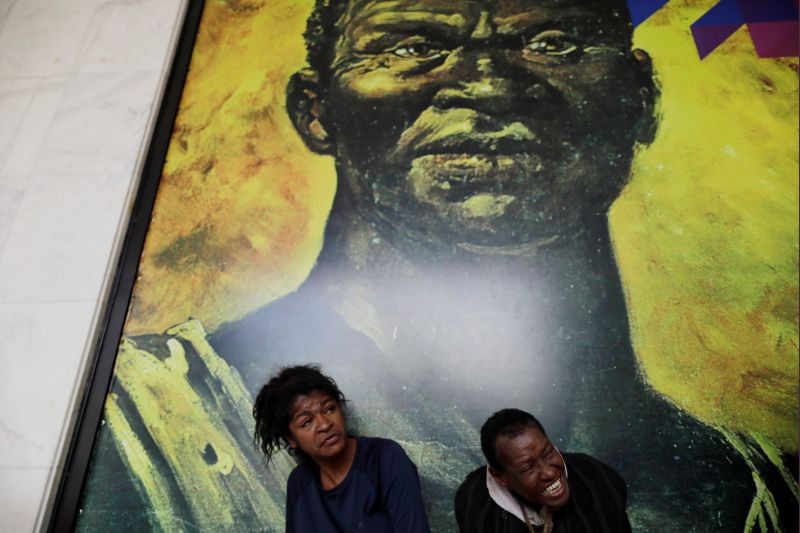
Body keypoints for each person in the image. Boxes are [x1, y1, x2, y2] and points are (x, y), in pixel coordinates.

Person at [81, 0, 797, 531]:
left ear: (639, 98)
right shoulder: (139, 433)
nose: (486, 86)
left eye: (551, 41)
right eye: (409, 47)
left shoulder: (771, 488)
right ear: (316, 110)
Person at [252, 364, 431, 532]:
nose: (324, 424)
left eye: (329, 409)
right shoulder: (299, 484)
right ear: (291, 438)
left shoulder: (385, 459)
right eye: (307, 422)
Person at [455, 409, 630, 533]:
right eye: (528, 468)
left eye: (548, 452)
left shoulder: (599, 482)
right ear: (501, 478)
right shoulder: (476, 505)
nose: (550, 473)